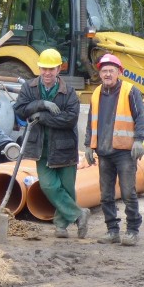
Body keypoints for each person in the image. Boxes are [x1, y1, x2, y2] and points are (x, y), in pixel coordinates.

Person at [14, 48, 90, 238]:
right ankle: (79, 214)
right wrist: (41, 104)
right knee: (48, 186)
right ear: (39, 69)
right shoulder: (29, 88)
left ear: (58, 70)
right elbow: (20, 110)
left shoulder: (69, 92)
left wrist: (41, 117)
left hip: (64, 148)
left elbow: (70, 119)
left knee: (66, 188)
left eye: (51, 69)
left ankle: (61, 226)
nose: (47, 73)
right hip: (41, 148)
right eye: (44, 69)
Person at [84, 54, 144, 246]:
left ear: (119, 72)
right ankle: (112, 230)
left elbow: (141, 117)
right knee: (106, 195)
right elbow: (90, 121)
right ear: (100, 73)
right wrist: (88, 145)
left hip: (125, 152)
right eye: (104, 71)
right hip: (104, 152)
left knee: (129, 193)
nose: (107, 74)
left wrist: (139, 140)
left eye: (111, 70)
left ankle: (132, 230)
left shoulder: (130, 91)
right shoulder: (96, 93)